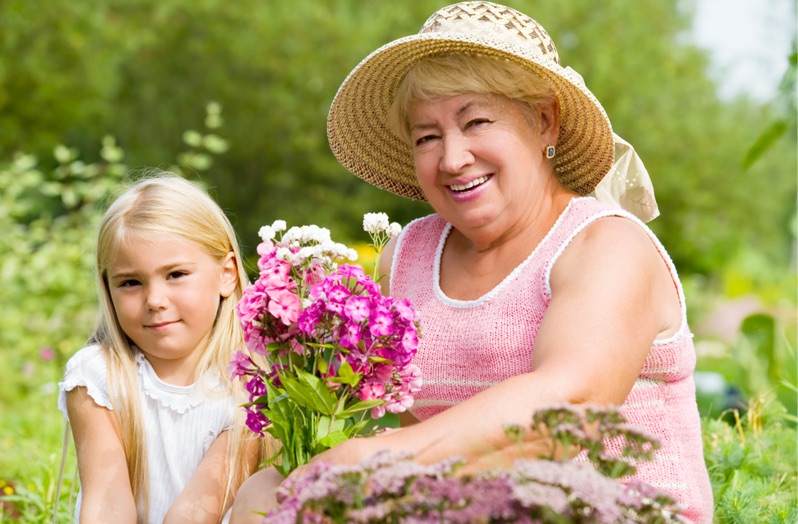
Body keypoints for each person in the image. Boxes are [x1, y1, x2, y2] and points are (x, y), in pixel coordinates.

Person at [231, 2, 713, 522]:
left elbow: (569, 408)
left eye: (476, 121)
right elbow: (378, 419)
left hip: (609, 513)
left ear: (545, 121)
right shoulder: (406, 258)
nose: (453, 158)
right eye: (427, 137)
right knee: (263, 494)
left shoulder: (606, 247)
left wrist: (363, 464)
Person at [58, 173, 274, 523]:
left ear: (227, 273)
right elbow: (106, 506)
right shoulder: (98, 377)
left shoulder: (251, 381)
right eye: (131, 282)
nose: (155, 300)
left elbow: (198, 511)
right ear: (107, 287)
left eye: (175, 274)